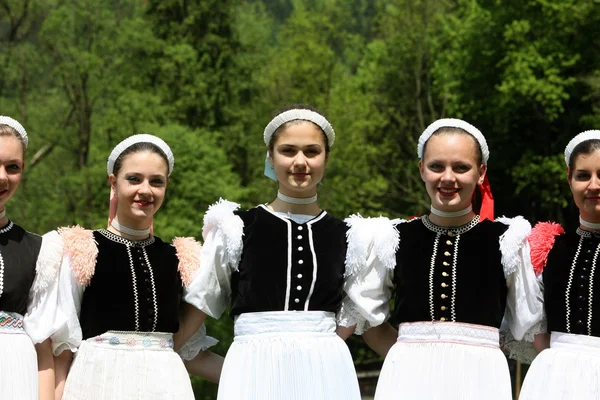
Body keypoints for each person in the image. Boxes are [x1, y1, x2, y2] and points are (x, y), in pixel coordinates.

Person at [339, 118, 545, 400]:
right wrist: (408, 353)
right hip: (407, 378)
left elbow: (527, 325)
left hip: (481, 379)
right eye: (437, 166)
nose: (448, 178)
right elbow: (367, 317)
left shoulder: (507, 240)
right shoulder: (394, 237)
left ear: (481, 172)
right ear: (421, 169)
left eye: (461, 167)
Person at [183, 105, 362, 400]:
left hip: (326, 370)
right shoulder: (236, 228)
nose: (300, 161)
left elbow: (353, 311)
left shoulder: (350, 237)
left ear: (326, 158)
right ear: (270, 156)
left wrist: (316, 346)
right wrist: (163, 349)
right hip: (253, 365)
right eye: (288, 150)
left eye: (312, 151)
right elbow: (203, 299)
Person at [41, 134, 220, 399]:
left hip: (166, 383)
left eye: (156, 181)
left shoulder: (180, 258)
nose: (145, 190)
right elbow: (63, 349)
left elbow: (190, 351)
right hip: (97, 382)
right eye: (134, 179)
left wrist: (256, 377)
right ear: (113, 183)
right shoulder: (81, 249)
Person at [519, 130, 600, 399]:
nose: (593, 185)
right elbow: (533, 319)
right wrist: (556, 365)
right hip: (554, 379)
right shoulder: (549, 248)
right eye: (583, 175)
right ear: (569, 179)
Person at [0, 116, 60, 400]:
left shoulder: (39, 249)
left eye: (12, 167)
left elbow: (43, 348)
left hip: (17, 376)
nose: (2, 177)